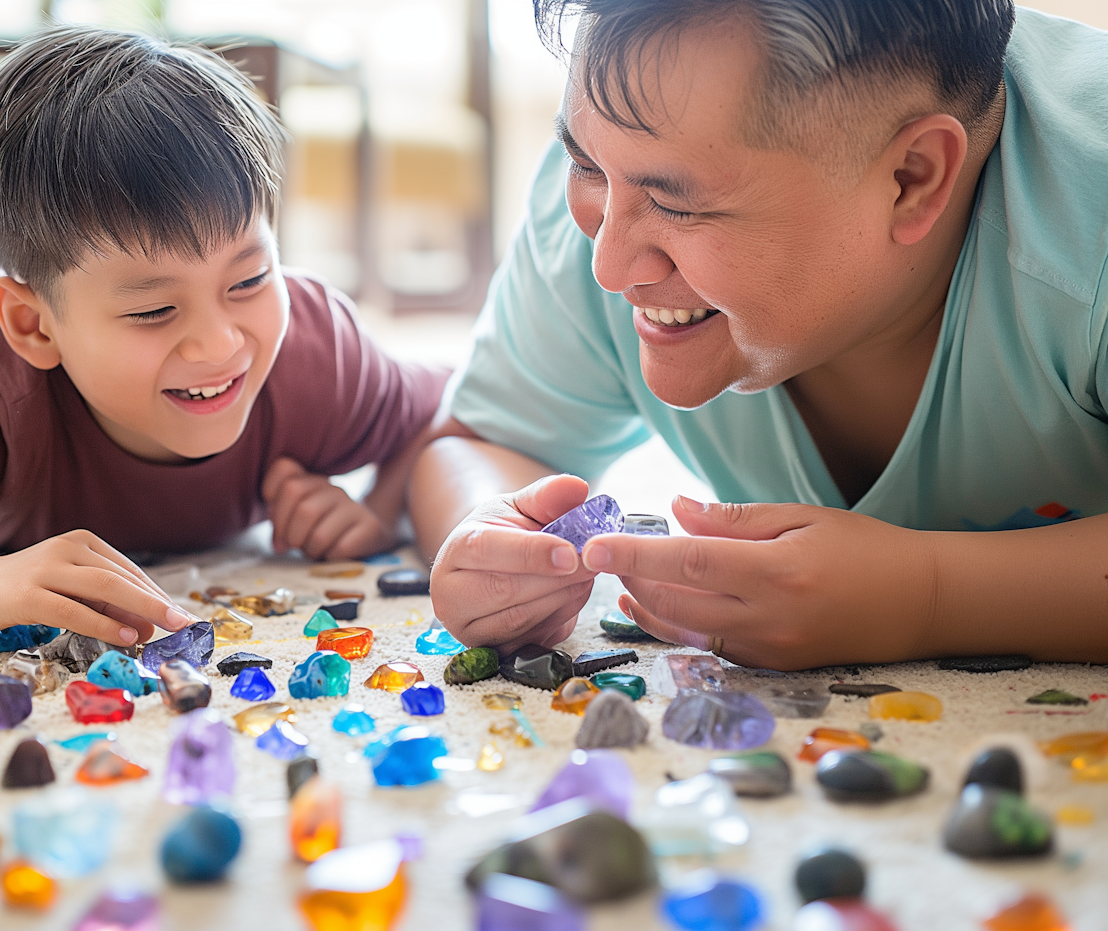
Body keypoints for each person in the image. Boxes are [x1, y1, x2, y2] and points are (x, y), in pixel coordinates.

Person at [410, 0, 1108, 668]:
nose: (609, 265)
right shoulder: (616, 174)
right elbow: (482, 440)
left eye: (677, 205)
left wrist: (924, 595)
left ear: (911, 178)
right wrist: (492, 539)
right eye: (586, 166)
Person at [0, 27, 450, 646]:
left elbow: (453, 403)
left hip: (25, 293)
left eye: (249, 279)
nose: (219, 344)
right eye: (154, 312)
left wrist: (376, 509)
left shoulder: (314, 345)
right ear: (32, 325)